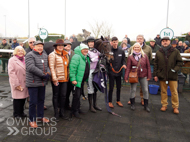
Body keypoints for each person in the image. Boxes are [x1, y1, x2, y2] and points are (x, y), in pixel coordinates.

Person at [153, 37, 183, 114]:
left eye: (166, 41)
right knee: (163, 91)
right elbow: (155, 64)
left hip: (172, 75)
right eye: (163, 41)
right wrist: (155, 74)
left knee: (174, 92)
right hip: (162, 74)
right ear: (161, 42)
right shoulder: (158, 52)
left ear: (169, 41)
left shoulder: (175, 51)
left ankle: (175, 106)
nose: (164, 42)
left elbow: (180, 62)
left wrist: (175, 69)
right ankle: (164, 105)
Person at [25, 41, 51, 128]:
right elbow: (31, 67)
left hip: (42, 82)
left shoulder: (44, 54)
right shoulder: (30, 55)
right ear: (34, 46)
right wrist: (43, 74)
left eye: (41, 46)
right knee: (33, 102)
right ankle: (32, 120)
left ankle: (40, 117)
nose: (40, 47)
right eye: (38, 46)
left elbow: (47, 65)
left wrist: (48, 72)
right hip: (33, 82)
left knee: (41, 100)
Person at [125, 43, 151, 112]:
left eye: (138, 47)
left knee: (145, 90)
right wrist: (126, 77)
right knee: (133, 90)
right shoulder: (130, 57)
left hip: (143, 75)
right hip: (134, 75)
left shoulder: (144, 56)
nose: (136, 48)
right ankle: (132, 104)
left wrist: (149, 75)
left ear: (140, 48)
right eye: (135, 47)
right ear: (133, 48)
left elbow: (148, 66)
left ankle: (146, 106)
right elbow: (128, 68)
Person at [128, 35, 152, 105]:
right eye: (138, 38)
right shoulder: (132, 48)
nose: (139, 39)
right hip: (134, 72)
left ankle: (142, 99)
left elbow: (149, 58)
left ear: (143, 39)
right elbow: (129, 58)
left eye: (141, 38)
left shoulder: (148, 48)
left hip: (143, 71)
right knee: (133, 87)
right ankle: (132, 99)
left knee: (144, 88)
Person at [48, 39, 69, 121]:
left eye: (62, 45)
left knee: (63, 96)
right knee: (56, 96)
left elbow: (67, 67)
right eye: (59, 45)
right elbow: (51, 68)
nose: (60, 47)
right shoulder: (52, 55)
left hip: (64, 79)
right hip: (56, 79)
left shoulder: (66, 54)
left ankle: (62, 112)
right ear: (56, 46)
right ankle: (56, 113)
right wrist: (54, 79)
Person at [69, 43, 90, 118]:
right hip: (77, 80)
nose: (86, 50)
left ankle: (77, 108)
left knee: (79, 95)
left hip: (81, 80)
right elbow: (72, 69)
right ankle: (74, 111)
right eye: (84, 49)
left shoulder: (85, 57)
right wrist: (73, 79)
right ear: (80, 50)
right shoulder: (77, 56)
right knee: (76, 96)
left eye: (87, 49)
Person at [8, 46, 29, 118]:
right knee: (17, 99)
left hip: (25, 82)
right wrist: (16, 84)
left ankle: (21, 112)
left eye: (22, 50)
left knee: (23, 98)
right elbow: (11, 73)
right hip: (17, 82)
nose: (20, 52)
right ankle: (16, 114)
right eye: (19, 51)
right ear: (15, 52)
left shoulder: (25, 59)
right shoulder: (12, 60)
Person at [108, 37, 126, 108]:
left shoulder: (121, 51)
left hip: (119, 72)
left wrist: (124, 64)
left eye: (116, 42)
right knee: (111, 88)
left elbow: (123, 60)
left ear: (118, 42)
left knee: (119, 88)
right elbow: (107, 61)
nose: (115, 43)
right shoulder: (109, 51)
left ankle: (118, 100)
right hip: (111, 72)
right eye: (114, 42)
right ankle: (110, 101)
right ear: (111, 42)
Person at [86, 36, 102, 113]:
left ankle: (95, 104)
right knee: (90, 88)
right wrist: (98, 57)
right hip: (89, 71)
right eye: (90, 42)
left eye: (92, 42)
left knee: (95, 88)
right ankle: (90, 106)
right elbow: (91, 60)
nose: (91, 43)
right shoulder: (86, 51)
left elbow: (100, 58)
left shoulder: (96, 51)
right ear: (87, 43)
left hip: (96, 71)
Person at [64, 40, 75, 110]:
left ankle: (68, 105)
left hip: (71, 74)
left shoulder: (73, 53)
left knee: (70, 91)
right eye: (67, 44)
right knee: (64, 92)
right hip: (64, 75)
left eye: (70, 44)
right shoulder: (62, 53)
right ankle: (63, 105)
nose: (68, 45)